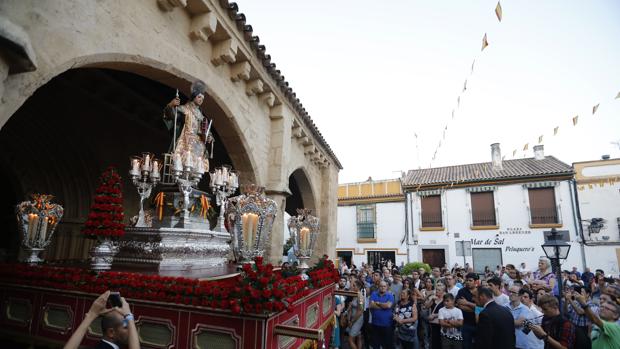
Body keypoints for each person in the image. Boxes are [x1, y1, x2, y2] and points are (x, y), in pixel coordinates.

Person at [163, 79, 212, 172]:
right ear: (194, 97)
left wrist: (209, 136)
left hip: (198, 146)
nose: (201, 100)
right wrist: (171, 105)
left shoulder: (202, 116)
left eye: (202, 98)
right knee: (182, 165)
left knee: (196, 170)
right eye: (199, 97)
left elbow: (207, 130)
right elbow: (172, 115)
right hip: (186, 142)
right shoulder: (185, 109)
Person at [370, 280, 395, 348]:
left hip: (387, 324)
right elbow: (371, 305)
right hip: (375, 323)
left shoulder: (390, 295)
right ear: (378, 287)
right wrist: (384, 306)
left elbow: (388, 306)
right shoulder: (374, 294)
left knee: (387, 344)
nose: (383, 287)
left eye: (384, 286)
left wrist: (378, 303)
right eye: (381, 286)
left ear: (387, 287)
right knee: (375, 344)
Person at [456, 273, 478, 349]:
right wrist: (476, 308)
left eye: (470, 280)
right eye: (467, 280)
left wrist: (467, 303)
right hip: (465, 323)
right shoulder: (461, 291)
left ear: (475, 282)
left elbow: (483, 307)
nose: (468, 282)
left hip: (479, 323)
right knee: (466, 345)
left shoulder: (480, 291)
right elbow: (460, 305)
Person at [347, 279, 365, 349]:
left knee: (350, 339)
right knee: (358, 336)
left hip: (358, 319)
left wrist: (352, 321)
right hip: (354, 318)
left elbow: (360, 311)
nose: (352, 287)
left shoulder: (360, 297)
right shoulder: (355, 295)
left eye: (354, 286)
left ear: (358, 287)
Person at [427, 283, 446, 349]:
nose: (437, 291)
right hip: (433, 323)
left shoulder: (445, 300)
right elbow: (426, 307)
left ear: (443, 291)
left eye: (439, 290)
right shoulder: (433, 298)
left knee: (441, 340)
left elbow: (447, 311)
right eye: (436, 289)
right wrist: (431, 299)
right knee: (434, 340)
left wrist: (435, 315)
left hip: (442, 323)